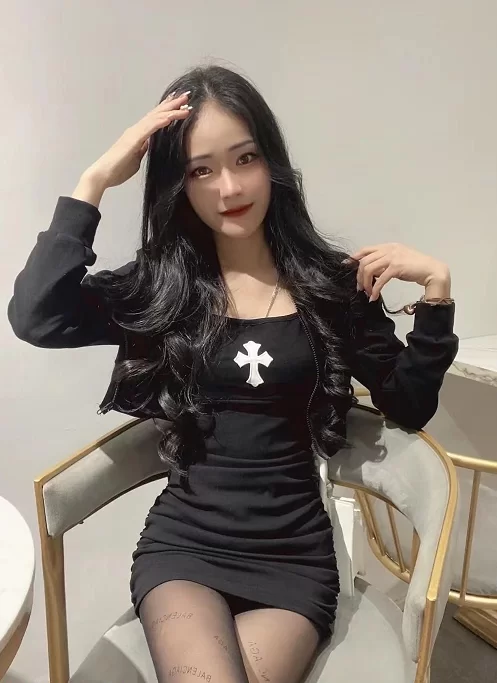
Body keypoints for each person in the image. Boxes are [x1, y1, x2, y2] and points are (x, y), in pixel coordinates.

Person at [8, 65, 458, 683]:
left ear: (271, 162)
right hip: (185, 549)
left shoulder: (331, 287)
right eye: (201, 170)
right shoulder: (163, 290)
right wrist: (95, 181)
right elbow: (37, 316)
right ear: (179, 184)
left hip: (294, 559)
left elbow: (408, 404)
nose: (229, 187)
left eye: (245, 159)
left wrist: (436, 295)